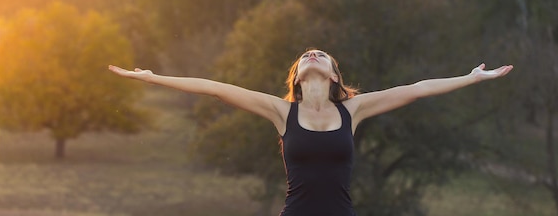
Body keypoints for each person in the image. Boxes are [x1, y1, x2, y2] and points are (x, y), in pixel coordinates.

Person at [108, 49, 513, 216]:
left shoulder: (353, 109)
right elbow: (215, 88)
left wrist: (470, 78)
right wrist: (154, 78)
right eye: (306, 55)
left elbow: (417, 89)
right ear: (298, 78)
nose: (312, 55)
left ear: (334, 75)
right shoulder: (280, 111)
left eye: (321, 55)